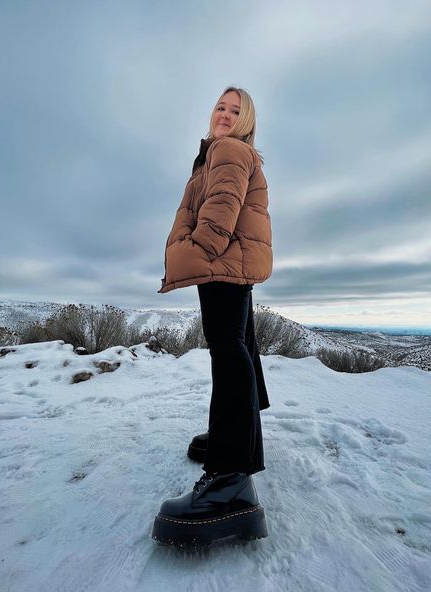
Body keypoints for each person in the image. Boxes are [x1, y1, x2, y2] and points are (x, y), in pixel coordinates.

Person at [152, 86, 273, 547]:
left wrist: (200, 249)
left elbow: (223, 201)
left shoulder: (227, 149)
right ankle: (236, 439)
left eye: (235, 110)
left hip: (222, 259)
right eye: (220, 107)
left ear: (246, 120)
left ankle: (230, 480)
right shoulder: (226, 151)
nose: (225, 114)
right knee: (239, 344)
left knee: (228, 350)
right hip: (235, 260)